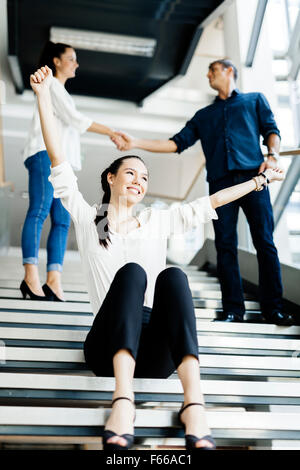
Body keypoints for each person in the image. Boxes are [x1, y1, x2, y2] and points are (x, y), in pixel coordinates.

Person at [30, 65, 284, 450]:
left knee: (174, 277)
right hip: (106, 344)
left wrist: (259, 180)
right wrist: (43, 96)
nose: (139, 181)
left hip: (158, 352)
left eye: (145, 178)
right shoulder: (90, 218)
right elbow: (57, 157)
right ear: (111, 178)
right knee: (133, 272)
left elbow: (211, 200)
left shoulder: (155, 221)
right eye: (130, 173)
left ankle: (194, 404)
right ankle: (123, 400)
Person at [111, 59, 293, 326]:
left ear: (229, 71)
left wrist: (274, 156)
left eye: (213, 70)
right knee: (224, 246)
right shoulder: (203, 116)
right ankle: (233, 310)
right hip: (220, 183)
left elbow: (271, 131)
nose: (208, 75)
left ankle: (273, 308)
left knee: (265, 242)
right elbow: (175, 144)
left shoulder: (255, 100)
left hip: (254, 178)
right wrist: (134, 142)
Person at [21, 41, 124, 301]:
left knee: (63, 220)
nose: (76, 64)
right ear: (56, 61)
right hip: (44, 153)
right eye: (71, 58)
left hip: (62, 162)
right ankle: (30, 275)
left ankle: (54, 280)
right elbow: (76, 121)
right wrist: (112, 131)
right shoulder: (51, 85)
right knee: (39, 210)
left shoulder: (63, 92)